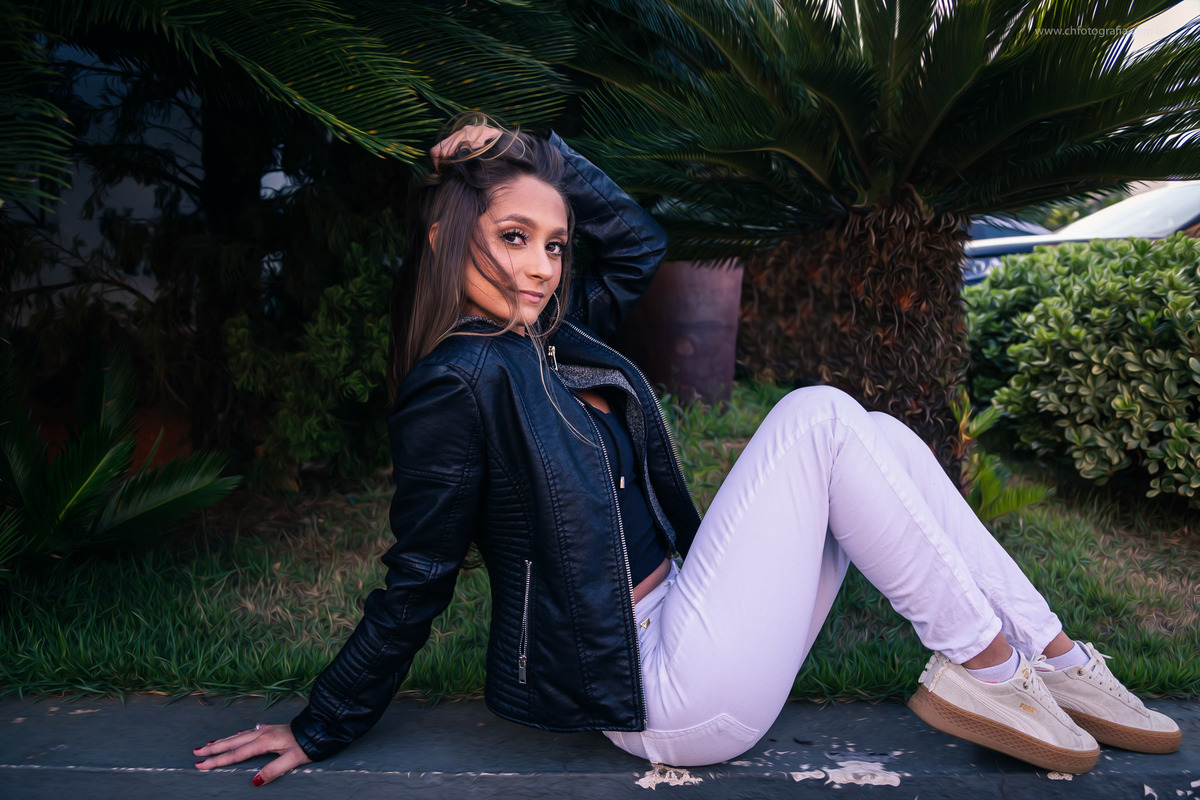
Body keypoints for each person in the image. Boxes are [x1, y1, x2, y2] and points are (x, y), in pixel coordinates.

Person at [193, 117, 1181, 786]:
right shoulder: (455, 385)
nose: (542, 266)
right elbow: (418, 575)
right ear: (451, 241)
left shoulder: (548, 338)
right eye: (514, 237)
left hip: (692, 627)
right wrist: (320, 724)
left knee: (874, 434)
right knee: (819, 415)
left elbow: (636, 240)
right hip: (659, 688)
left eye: (553, 244)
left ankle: (1050, 658)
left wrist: (533, 151)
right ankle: (988, 669)